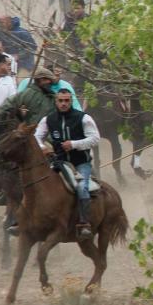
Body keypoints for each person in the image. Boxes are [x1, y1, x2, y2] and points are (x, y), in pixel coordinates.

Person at [34, 88, 101, 240]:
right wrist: (42, 147)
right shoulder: (48, 120)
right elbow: (36, 137)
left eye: (66, 101)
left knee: (81, 187)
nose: (63, 104)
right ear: (55, 102)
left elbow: (95, 138)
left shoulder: (84, 118)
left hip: (80, 163)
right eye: (60, 101)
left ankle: (84, 223)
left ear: (71, 101)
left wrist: (74, 144)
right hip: (59, 162)